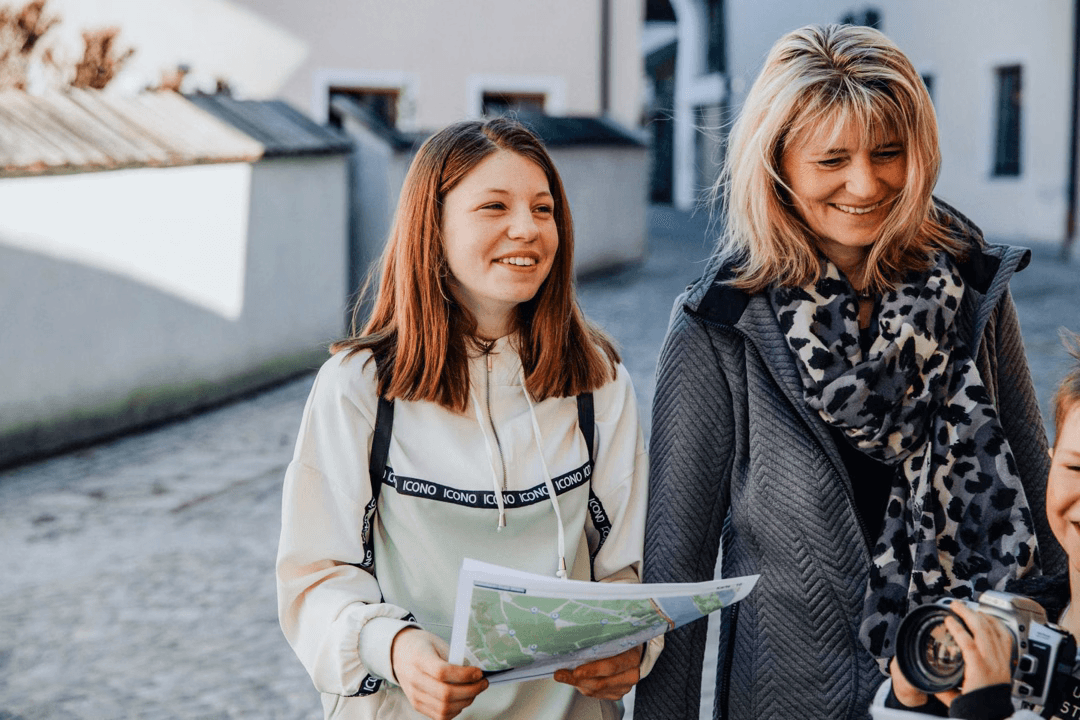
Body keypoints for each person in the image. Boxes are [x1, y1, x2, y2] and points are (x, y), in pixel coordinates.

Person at [633, 23, 1063, 720]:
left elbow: (1046, 515)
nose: (865, 183)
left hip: (964, 695)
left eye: (888, 153)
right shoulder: (720, 323)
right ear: (776, 161)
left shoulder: (972, 286)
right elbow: (673, 579)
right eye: (832, 159)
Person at [276, 117, 660, 720]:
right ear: (432, 228)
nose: (527, 228)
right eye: (494, 206)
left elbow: (627, 566)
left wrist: (629, 645)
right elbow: (314, 578)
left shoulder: (598, 381)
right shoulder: (359, 387)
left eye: (543, 209)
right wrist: (395, 649)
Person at [873, 330, 1080, 720]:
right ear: (1051, 464)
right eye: (1075, 468)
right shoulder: (1015, 616)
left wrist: (987, 711)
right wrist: (910, 705)